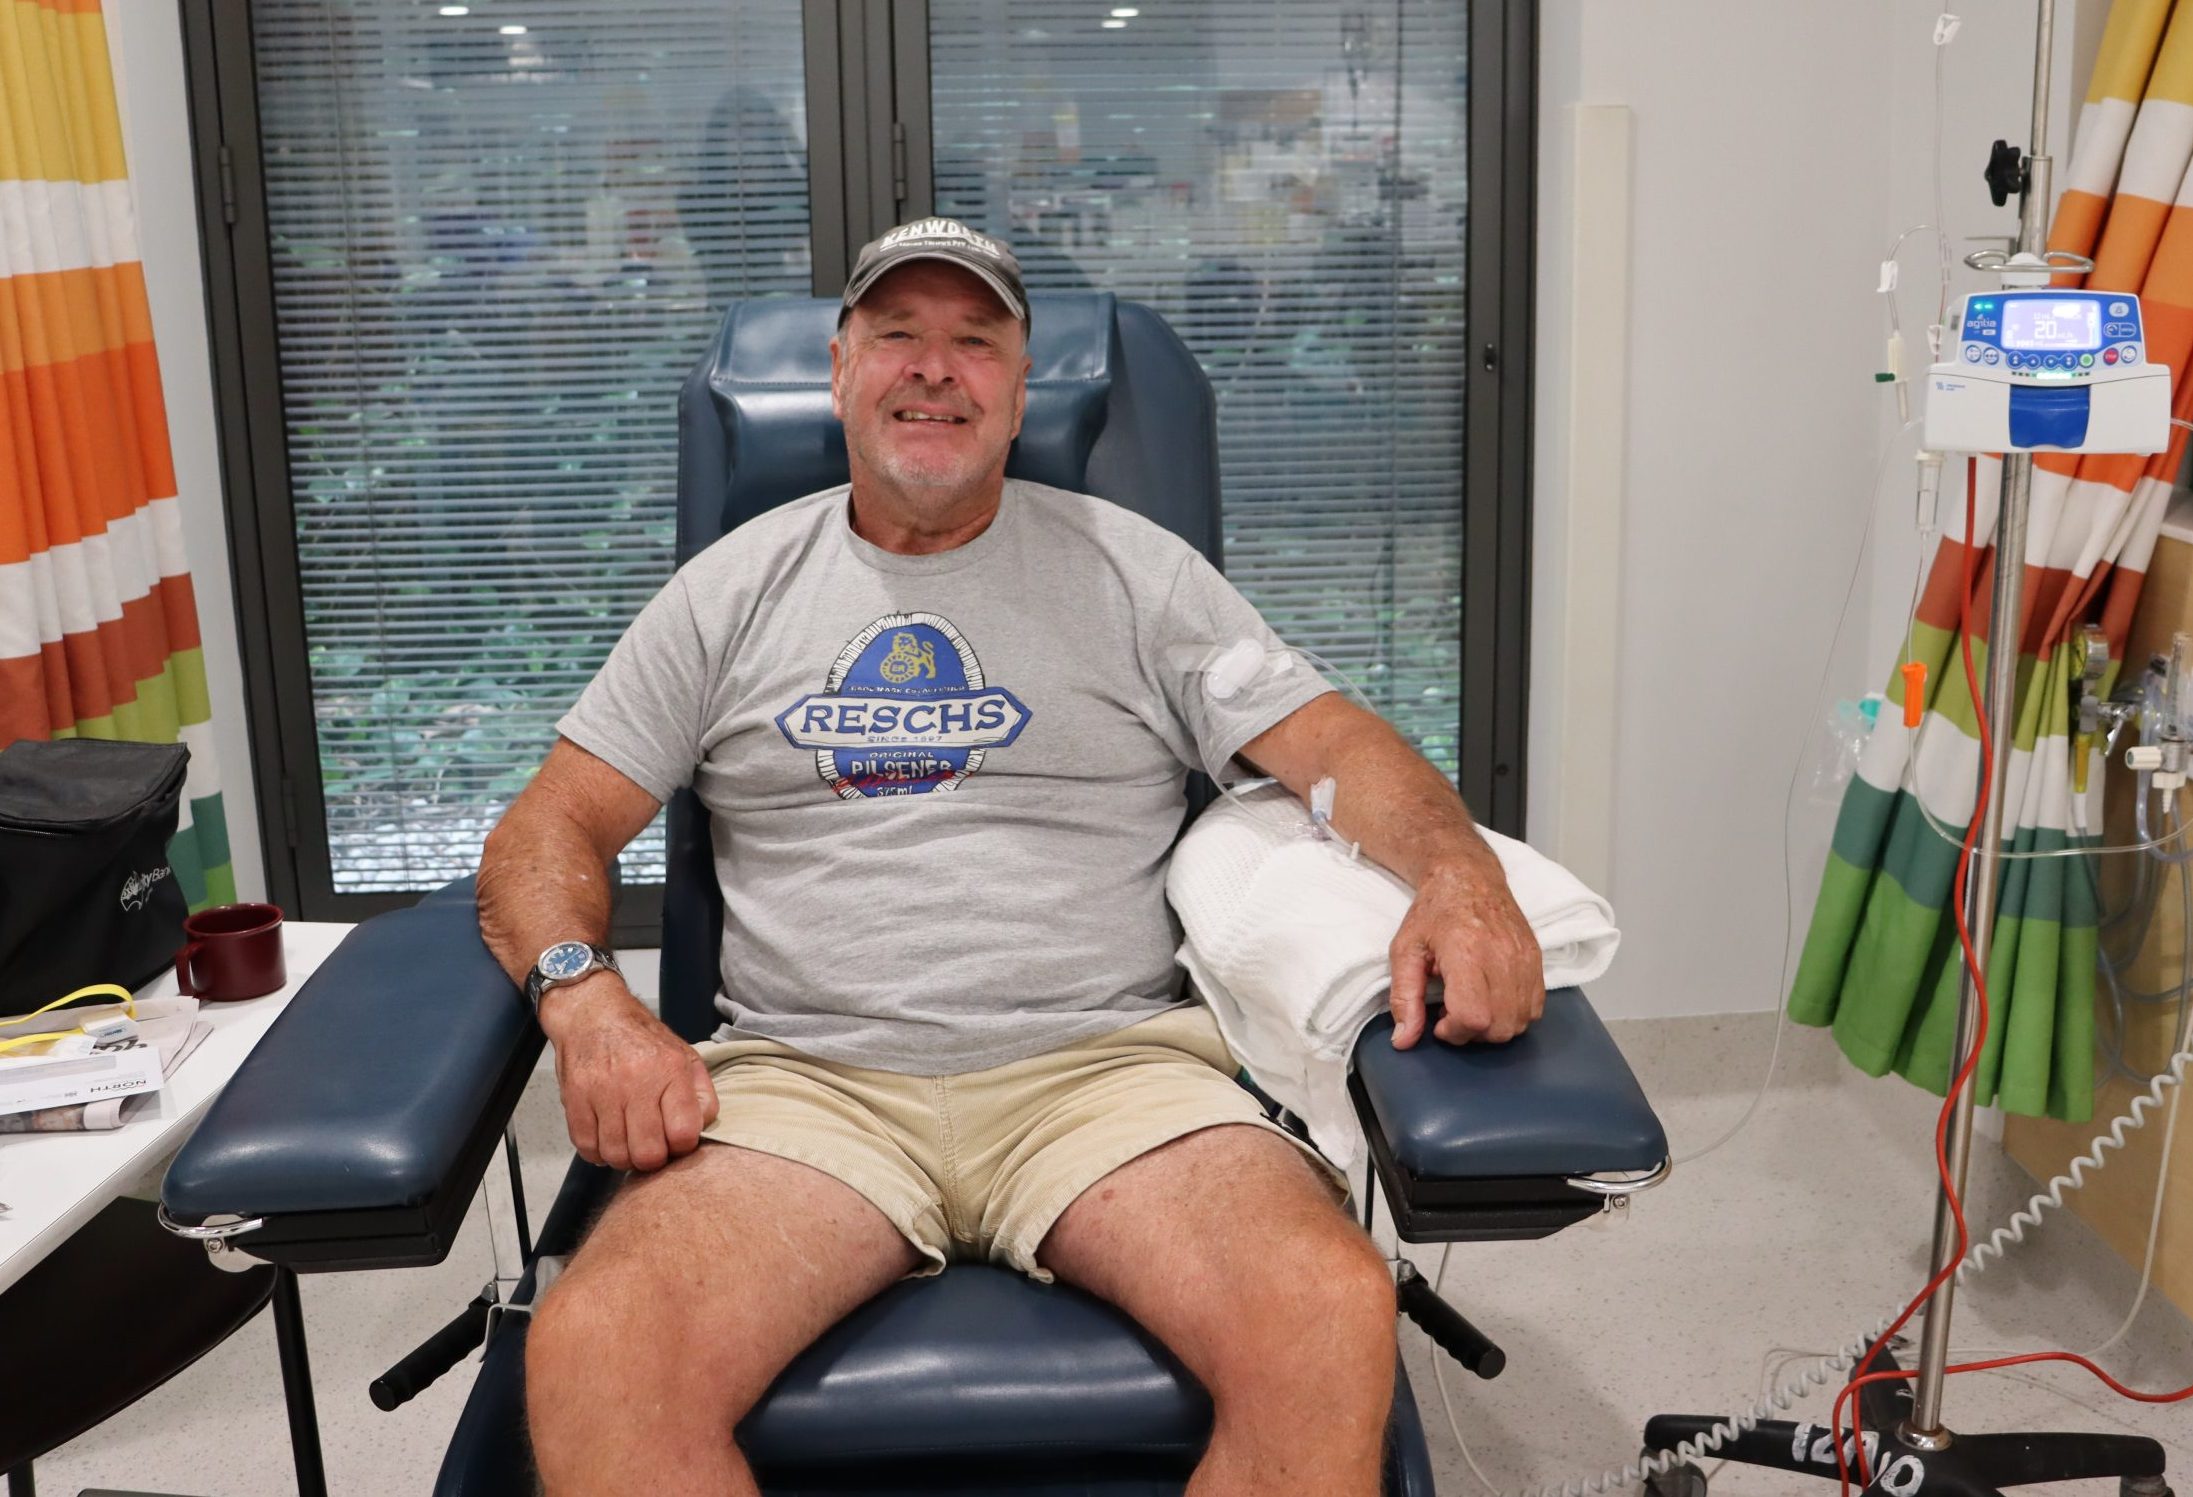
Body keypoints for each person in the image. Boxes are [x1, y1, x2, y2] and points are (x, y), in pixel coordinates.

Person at [477, 216, 1543, 1497]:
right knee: (600, 1349)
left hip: (1108, 1077)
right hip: (808, 1086)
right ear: (838, 369)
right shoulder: (729, 592)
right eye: (899, 338)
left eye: (974, 343)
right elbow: (551, 825)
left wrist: (1462, 878)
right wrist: (586, 1002)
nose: (935, 370)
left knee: (1325, 1307)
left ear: (1023, 385)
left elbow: (1338, 748)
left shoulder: (1140, 577)